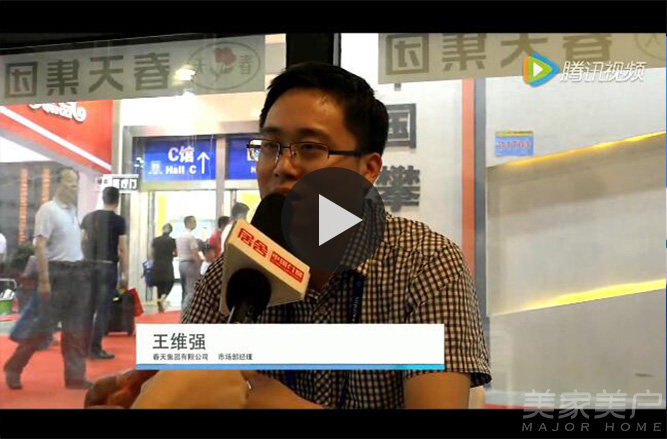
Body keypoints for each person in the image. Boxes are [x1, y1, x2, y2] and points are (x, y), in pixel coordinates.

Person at [86, 62, 491, 408]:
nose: (282, 166)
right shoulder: (229, 274)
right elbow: (188, 381)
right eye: (270, 146)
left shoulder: (426, 263)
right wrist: (143, 393)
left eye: (310, 148)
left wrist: (267, 400)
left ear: (368, 170)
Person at [5, 167, 94, 390]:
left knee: (75, 329)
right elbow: (40, 246)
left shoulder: (72, 210)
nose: (75, 187)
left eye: (76, 182)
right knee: (42, 328)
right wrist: (44, 280)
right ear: (58, 184)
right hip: (56, 275)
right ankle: (14, 367)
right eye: (70, 182)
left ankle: (75, 377)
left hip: (76, 274)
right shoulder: (48, 210)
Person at [80, 186, 128, 360]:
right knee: (103, 309)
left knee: (87, 308)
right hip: (107, 267)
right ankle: (95, 348)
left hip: (88, 266)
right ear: (117, 201)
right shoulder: (119, 221)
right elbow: (122, 249)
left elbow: (81, 241)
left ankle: (83, 347)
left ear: (103, 198)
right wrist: (125, 272)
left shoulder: (88, 217)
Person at [175, 216, 201, 310]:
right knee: (190, 289)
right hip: (190, 264)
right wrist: (199, 265)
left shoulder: (179, 236)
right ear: (189, 223)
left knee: (184, 290)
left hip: (181, 263)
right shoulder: (190, 237)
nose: (195, 223)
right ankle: (187, 311)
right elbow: (195, 253)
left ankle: (182, 309)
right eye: (194, 221)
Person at [151, 223, 177, 313]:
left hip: (157, 265)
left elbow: (151, 253)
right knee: (170, 282)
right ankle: (163, 298)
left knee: (160, 284)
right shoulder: (172, 241)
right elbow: (176, 253)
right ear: (171, 231)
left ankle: (159, 304)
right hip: (167, 264)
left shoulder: (155, 240)